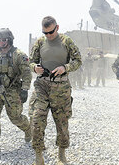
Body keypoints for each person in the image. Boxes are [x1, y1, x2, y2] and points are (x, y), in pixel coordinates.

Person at [29, 16, 82, 165]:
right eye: (45, 33)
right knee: (37, 119)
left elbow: (78, 61)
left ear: (57, 28)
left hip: (61, 87)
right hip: (42, 86)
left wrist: (65, 67)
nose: (48, 36)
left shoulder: (67, 41)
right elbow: (31, 60)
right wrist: (34, 67)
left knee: (62, 122)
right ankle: (39, 156)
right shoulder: (40, 42)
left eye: (51, 32)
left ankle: (62, 154)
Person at [0, 28, 32, 157]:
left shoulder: (19, 55)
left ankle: (28, 129)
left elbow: (27, 73)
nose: (1, 42)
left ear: (9, 40)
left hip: (13, 90)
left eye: (3, 40)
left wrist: (25, 90)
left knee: (15, 117)